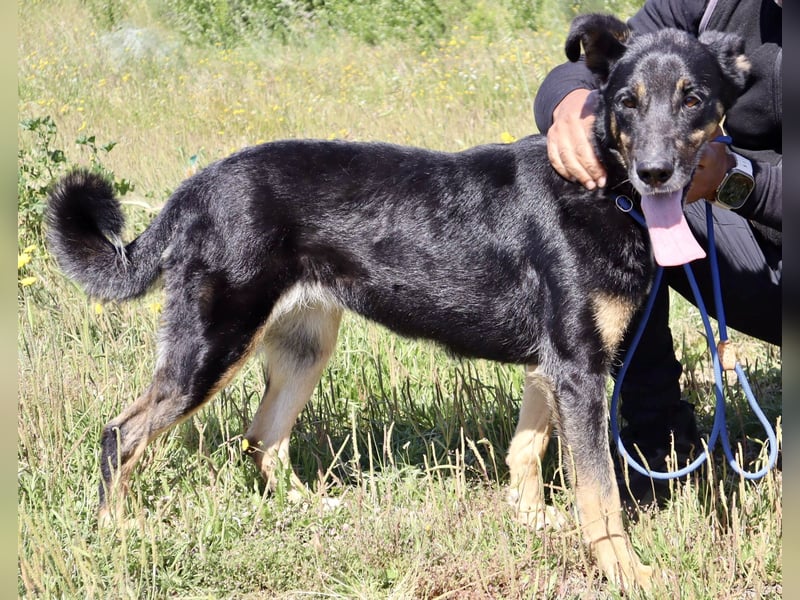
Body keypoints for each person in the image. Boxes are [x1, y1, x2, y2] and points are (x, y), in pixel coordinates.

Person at [533, 0, 782, 507]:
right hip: (749, 245)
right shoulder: (713, 4)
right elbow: (599, 65)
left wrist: (737, 181)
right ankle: (659, 440)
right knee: (599, 182)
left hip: (759, 208)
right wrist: (569, 106)